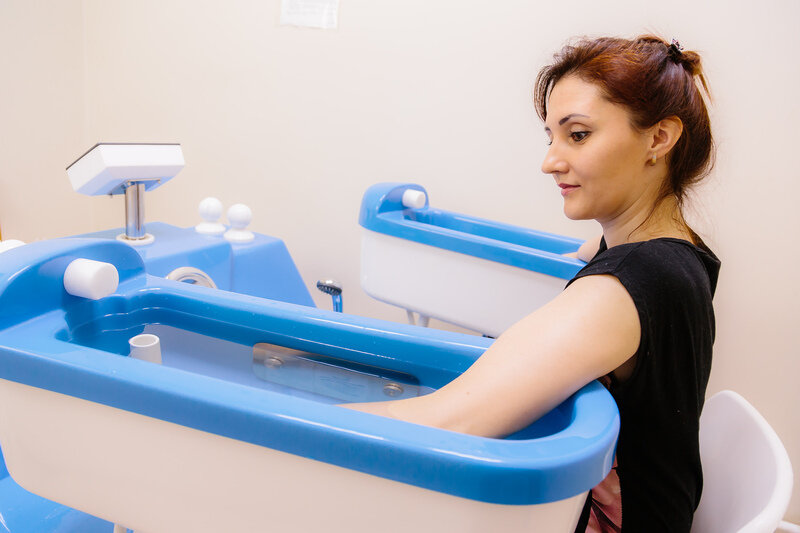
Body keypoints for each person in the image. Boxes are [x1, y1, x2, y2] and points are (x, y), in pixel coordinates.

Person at [347, 35, 720, 532]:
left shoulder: (624, 287)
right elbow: (592, 253)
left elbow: (449, 422)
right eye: (551, 138)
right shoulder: (677, 250)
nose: (550, 161)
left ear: (659, 138)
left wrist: (273, 421)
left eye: (578, 135)